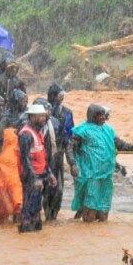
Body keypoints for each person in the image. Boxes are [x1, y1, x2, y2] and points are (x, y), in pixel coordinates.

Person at [71, 104, 133, 222]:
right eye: (100, 115)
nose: (103, 117)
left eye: (103, 115)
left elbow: (119, 144)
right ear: (92, 116)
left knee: (104, 211)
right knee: (90, 209)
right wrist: (73, 164)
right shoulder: (82, 131)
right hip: (91, 175)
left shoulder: (108, 130)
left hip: (107, 174)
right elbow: (70, 148)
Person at [18, 103, 56, 232]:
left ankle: (33, 231)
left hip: (39, 174)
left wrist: (49, 173)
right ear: (33, 117)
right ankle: (26, 228)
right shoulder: (26, 134)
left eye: (44, 116)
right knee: (29, 205)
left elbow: (42, 156)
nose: (44, 119)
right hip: (30, 175)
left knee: (36, 205)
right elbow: (25, 159)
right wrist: (34, 178)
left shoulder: (37, 132)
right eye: (41, 116)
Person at [45, 84, 76, 221]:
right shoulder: (42, 111)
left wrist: (71, 161)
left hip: (59, 154)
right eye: (59, 94)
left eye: (63, 94)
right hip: (44, 155)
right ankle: (46, 213)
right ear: (52, 96)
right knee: (45, 187)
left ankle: (54, 214)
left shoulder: (67, 113)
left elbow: (71, 135)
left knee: (58, 188)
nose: (62, 97)